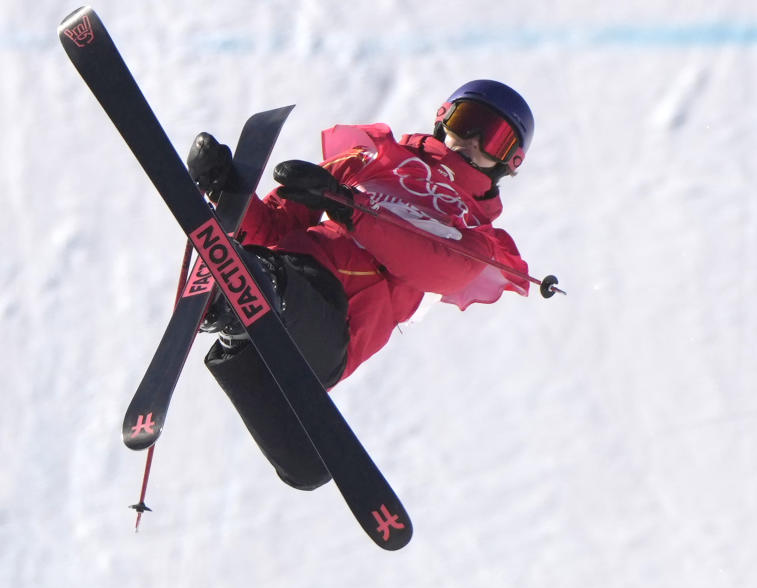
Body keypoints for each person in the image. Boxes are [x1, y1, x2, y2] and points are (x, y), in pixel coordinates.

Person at [186, 79, 534, 490]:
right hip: (294, 274)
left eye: (492, 138)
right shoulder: (372, 161)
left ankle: (236, 303)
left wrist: (347, 207)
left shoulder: (477, 229)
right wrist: (227, 190)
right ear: (444, 118)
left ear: (509, 160)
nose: (472, 141)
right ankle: (234, 310)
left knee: (306, 469)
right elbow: (273, 227)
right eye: (467, 121)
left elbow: (440, 268)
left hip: (341, 326)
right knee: (279, 280)